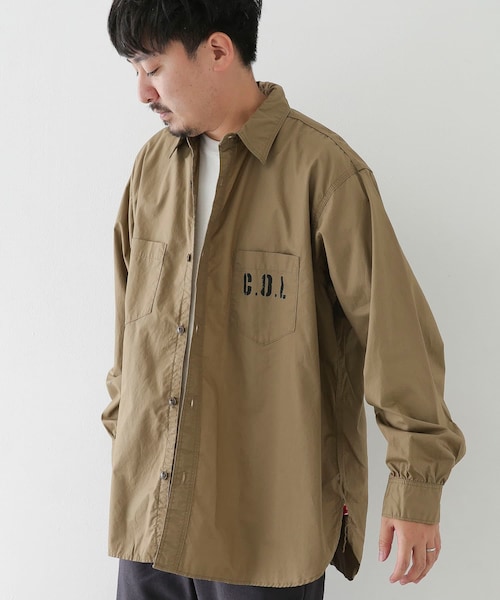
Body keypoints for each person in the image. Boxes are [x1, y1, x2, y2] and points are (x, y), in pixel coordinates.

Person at [102, 1, 466, 598]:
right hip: (151, 523)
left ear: (218, 51)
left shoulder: (324, 173)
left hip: (264, 535)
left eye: (153, 67)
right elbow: (128, 331)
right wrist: (128, 440)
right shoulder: (151, 169)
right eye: (134, 70)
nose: (142, 91)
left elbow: (396, 336)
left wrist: (416, 486)